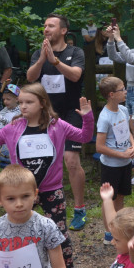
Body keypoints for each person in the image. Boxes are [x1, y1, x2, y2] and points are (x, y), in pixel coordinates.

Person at [0, 83, 91, 268]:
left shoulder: (57, 125)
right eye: (21, 102)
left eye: (28, 102)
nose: (22, 106)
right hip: (20, 191)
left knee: (60, 233)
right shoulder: (13, 128)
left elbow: (84, 137)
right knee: (9, 234)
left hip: (52, 190)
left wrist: (87, 117)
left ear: (42, 103)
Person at [28, 14, 89, 231]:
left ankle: (80, 208)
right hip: (46, 116)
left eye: (51, 26)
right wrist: (43, 60)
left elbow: (75, 76)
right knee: (40, 160)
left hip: (70, 113)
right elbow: (30, 77)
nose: (46, 29)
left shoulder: (75, 52)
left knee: (71, 161)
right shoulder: (39, 53)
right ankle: (41, 204)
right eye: (44, 25)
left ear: (63, 30)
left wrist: (55, 60)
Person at [96, 76, 134, 245]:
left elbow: (126, 131)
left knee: (121, 196)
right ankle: (108, 232)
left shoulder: (122, 110)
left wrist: (133, 144)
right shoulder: (105, 117)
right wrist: (121, 155)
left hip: (125, 163)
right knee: (109, 199)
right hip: (111, 165)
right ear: (111, 94)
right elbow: (99, 146)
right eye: (122, 89)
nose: (125, 92)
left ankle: (118, 229)